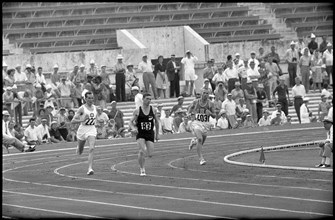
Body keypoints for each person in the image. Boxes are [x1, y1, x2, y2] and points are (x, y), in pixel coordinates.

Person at [129, 93, 159, 176]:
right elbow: (130, 122)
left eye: (150, 99)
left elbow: (156, 122)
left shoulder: (153, 110)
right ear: (143, 99)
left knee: (150, 154)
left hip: (149, 133)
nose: (149, 101)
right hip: (141, 133)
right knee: (141, 151)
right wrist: (133, 128)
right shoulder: (137, 111)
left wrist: (157, 134)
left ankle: (144, 151)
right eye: (147, 99)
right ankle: (142, 169)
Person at [71, 92, 98, 175]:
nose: (90, 100)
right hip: (82, 130)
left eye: (92, 98)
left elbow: (95, 118)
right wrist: (82, 120)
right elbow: (73, 121)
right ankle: (79, 147)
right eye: (89, 98)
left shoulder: (95, 108)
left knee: (92, 148)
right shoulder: (82, 108)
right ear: (85, 99)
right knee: (80, 151)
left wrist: (99, 121)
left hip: (91, 129)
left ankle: (90, 168)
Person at [187, 88, 216, 165]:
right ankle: (201, 159)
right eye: (204, 93)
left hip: (205, 124)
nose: (205, 95)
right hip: (196, 123)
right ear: (201, 93)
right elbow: (190, 108)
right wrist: (189, 114)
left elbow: (214, 115)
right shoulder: (196, 102)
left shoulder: (210, 104)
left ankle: (194, 141)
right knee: (200, 139)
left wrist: (210, 113)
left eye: (207, 93)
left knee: (201, 141)